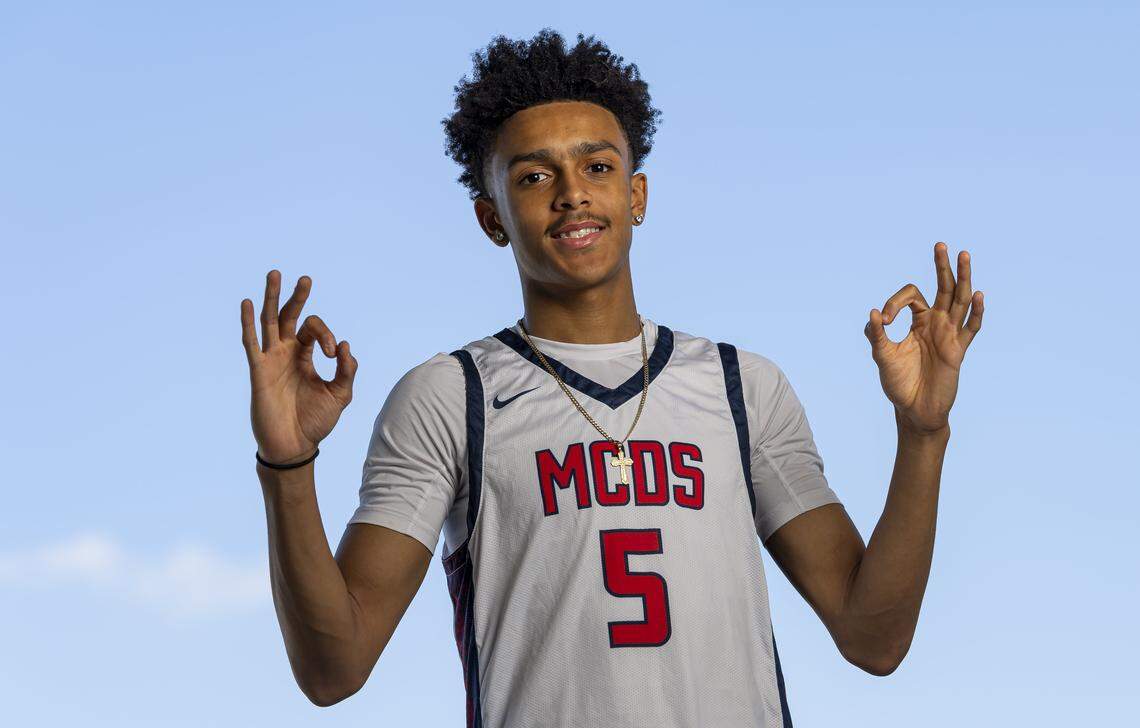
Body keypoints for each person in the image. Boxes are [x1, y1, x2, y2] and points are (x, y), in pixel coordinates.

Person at [240, 28, 984, 728]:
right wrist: (287, 463)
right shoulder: (449, 395)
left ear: (637, 195)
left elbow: (872, 638)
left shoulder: (740, 385)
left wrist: (923, 433)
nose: (572, 193)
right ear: (490, 216)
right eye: (534, 176)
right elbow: (333, 669)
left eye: (598, 167)